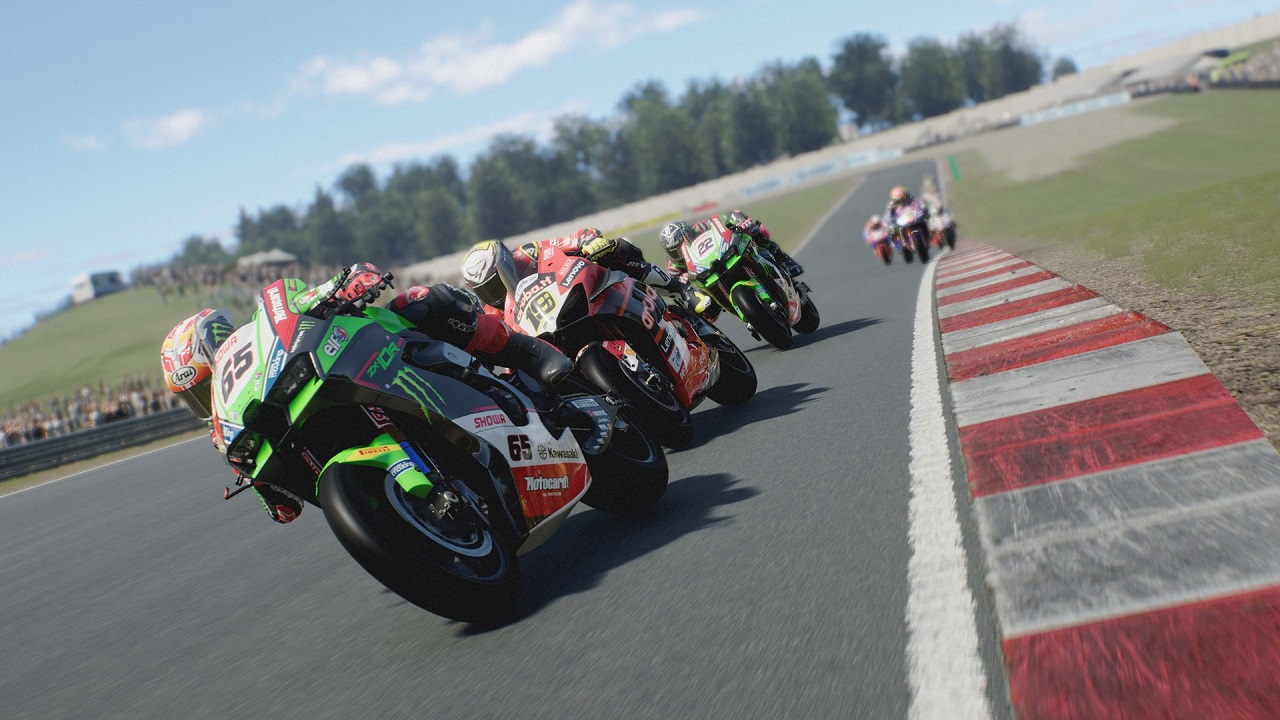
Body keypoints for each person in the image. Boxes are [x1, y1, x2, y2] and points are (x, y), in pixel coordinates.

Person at [161, 262, 573, 525]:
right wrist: (268, 488)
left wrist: (345, 284)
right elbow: (286, 510)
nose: (205, 396)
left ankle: (529, 352)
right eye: (195, 395)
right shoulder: (228, 429)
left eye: (203, 385)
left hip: (371, 347)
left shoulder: (266, 332)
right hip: (310, 423)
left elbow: (306, 298)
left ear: (220, 344)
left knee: (419, 302)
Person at [460, 230, 714, 316]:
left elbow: (571, 239)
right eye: (485, 290)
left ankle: (682, 290)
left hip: (577, 293)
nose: (494, 293)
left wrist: (589, 241)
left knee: (614, 250)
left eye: (496, 282)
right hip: (551, 328)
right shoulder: (493, 312)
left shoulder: (526, 255)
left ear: (507, 264)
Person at [660, 210, 804, 278]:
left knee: (756, 230)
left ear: (688, 232)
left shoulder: (700, 227)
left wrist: (740, 221)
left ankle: (782, 258)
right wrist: (683, 281)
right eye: (674, 251)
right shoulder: (674, 267)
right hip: (711, 276)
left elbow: (725, 218)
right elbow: (679, 288)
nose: (681, 251)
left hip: (726, 251)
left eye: (682, 244)